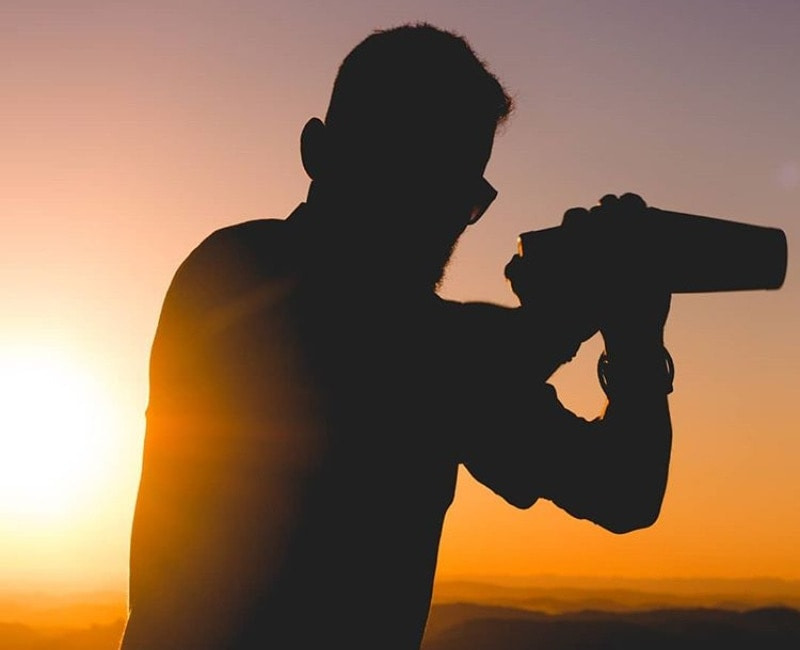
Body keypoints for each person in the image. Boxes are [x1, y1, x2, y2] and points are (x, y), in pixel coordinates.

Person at [119, 22, 673, 650]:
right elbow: (393, 352)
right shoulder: (242, 273)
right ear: (319, 152)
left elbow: (622, 489)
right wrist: (596, 320)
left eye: (460, 193)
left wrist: (616, 334)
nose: (437, 219)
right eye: (412, 175)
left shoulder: (440, 367)